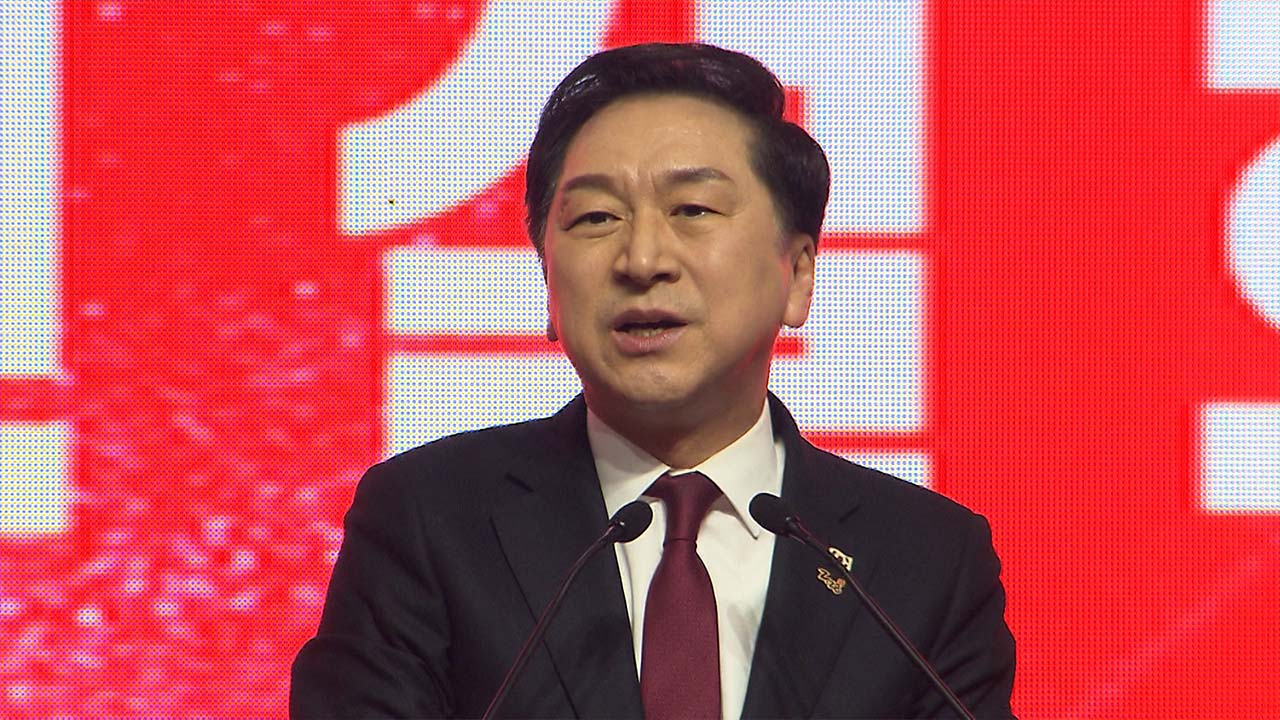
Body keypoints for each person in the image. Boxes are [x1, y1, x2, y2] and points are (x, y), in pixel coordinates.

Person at [291, 43, 1016, 719]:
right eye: (596, 217)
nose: (642, 259)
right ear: (547, 279)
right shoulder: (430, 520)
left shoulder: (925, 562)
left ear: (797, 274)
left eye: (692, 210)